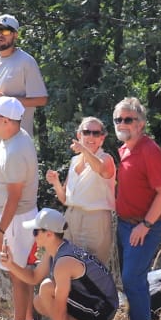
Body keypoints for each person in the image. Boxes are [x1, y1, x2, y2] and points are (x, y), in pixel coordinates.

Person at [1, 208, 119, 320]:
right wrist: (11, 265)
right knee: (39, 302)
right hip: (98, 304)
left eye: (35, 232)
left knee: (47, 288)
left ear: (49, 234)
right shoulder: (55, 250)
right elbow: (33, 277)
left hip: (102, 309)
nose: (33, 236)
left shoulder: (64, 262)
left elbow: (60, 306)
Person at [110, 97, 161, 320]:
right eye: (118, 120)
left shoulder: (149, 149)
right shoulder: (124, 149)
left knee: (133, 279)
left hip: (142, 227)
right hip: (125, 225)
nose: (123, 124)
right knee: (131, 281)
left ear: (141, 124)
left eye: (129, 119)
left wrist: (146, 225)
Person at [0, 97, 42, 320]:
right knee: (20, 271)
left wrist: (0, 231)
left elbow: (15, 197)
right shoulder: (15, 137)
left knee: (17, 274)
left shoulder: (15, 150)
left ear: (6, 121)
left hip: (15, 219)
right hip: (15, 218)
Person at [46, 115, 116, 270]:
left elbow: (100, 169)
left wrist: (84, 150)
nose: (91, 136)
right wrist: (56, 182)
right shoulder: (74, 161)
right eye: (86, 132)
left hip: (95, 220)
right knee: (68, 267)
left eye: (96, 133)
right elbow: (65, 199)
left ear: (102, 138)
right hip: (71, 219)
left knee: (93, 270)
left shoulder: (106, 158)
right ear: (79, 135)